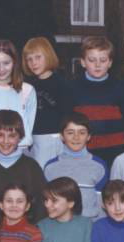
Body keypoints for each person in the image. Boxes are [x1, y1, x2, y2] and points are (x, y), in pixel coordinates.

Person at [0, 109, 47, 223]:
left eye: (12, 136)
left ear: (20, 138)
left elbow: (40, 208)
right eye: (0, 135)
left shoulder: (31, 167)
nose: (5, 141)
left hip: (23, 231)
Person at [69, 36, 124, 165]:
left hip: (116, 154)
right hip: (83, 154)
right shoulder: (72, 88)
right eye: (92, 60)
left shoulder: (121, 88)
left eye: (103, 60)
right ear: (83, 62)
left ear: (110, 63)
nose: (97, 65)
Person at [44, 112, 109, 220]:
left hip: (90, 224)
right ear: (62, 136)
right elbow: (49, 204)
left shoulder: (99, 166)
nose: (76, 137)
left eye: (82, 133)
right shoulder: (50, 167)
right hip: (60, 225)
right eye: (70, 133)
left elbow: (101, 204)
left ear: (89, 136)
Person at [23, 36, 74, 169]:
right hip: (33, 139)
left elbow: (67, 114)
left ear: (48, 56)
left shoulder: (62, 84)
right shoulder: (28, 85)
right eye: (29, 59)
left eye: (38, 57)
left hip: (55, 138)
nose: (34, 63)